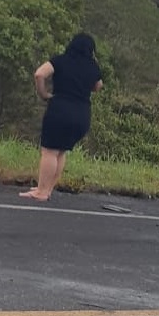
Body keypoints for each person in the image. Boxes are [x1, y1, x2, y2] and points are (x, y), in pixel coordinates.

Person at [21, 33, 103, 201]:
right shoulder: (93, 66)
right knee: (61, 151)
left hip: (60, 110)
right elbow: (98, 86)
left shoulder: (61, 60)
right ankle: (47, 188)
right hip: (82, 114)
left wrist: (44, 94)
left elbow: (39, 74)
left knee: (49, 151)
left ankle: (41, 192)